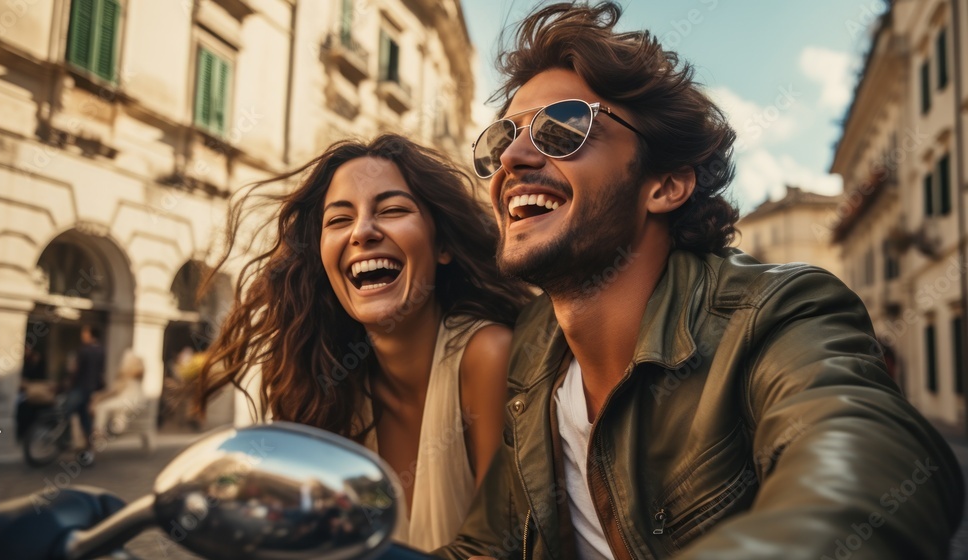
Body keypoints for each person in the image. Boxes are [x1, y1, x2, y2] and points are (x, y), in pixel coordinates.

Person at [435, 3, 964, 559]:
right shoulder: (532, 347)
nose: (512, 158)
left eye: (563, 128)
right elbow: (486, 547)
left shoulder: (777, 312)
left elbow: (867, 471)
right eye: (502, 140)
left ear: (665, 186)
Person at [195, 134, 532, 551]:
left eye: (391, 210)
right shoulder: (324, 380)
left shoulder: (487, 355)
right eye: (338, 220)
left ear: (442, 244)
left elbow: (499, 548)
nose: (362, 232)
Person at [66, 325, 105, 463]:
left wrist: (68, 384)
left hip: (80, 388)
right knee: (85, 421)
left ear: (90, 334)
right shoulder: (101, 351)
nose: (83, 335)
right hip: (91, 390)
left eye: (85, 333)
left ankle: (66, 441)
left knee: (65, 412)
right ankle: (87, 452)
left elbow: (76, 372)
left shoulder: (84, 351)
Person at [90, 349, 145, 438]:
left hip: (128, 402)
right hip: (133, 402)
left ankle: (99, 432)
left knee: (102, 407)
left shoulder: (129, 375)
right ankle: (116, 427)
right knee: (117, 411)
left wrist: (99, 397)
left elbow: (114, 391)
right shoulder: (135, 375)